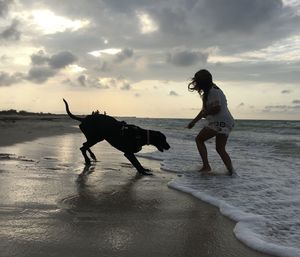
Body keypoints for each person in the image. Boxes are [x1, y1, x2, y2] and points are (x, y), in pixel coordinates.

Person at [187, 69, 235, 175]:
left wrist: (206, 113)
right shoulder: (210, 91)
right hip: (227, 121)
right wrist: (194, 122)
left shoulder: (213, 91)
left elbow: (217, 108)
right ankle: (231, 172)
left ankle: (206, 166)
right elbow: (204, 110)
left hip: (219, 121)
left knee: (199, 139)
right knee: (220, 148)